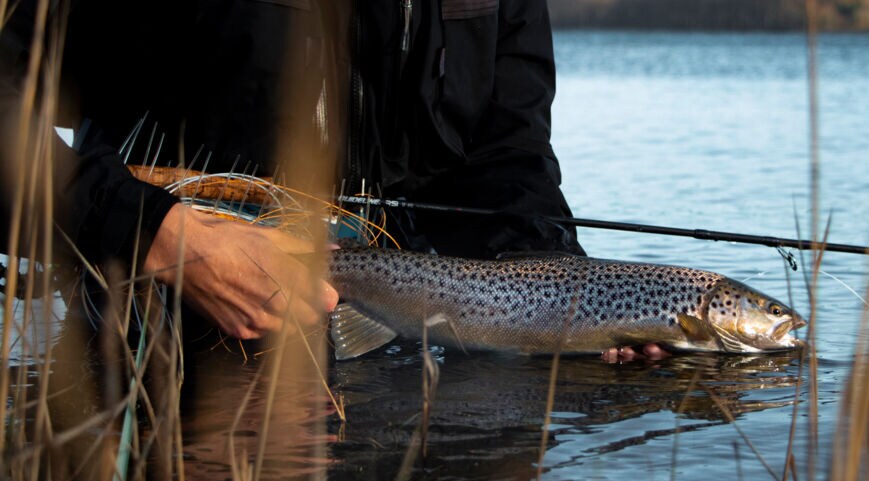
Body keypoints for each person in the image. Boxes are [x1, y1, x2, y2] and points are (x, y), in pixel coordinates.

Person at [1, 1, 665, 362]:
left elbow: (507, 161)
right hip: (156, 358)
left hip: (395, 366)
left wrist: (577, 309)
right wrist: (159, 236)